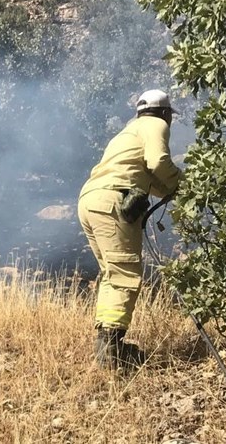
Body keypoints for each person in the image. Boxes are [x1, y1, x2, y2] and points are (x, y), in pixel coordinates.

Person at [77, 88, 182, 370]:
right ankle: (110, 353)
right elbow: (159, 163)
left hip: (90, 200)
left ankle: (109, 346)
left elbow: (150, 176)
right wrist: (182, 182)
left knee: (112, 274)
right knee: (124, 275)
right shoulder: (156, 124)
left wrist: (171, 189)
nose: (169, 121)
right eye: (169, 116)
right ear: (164, 113)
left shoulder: (128, 132)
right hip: (113, 200)